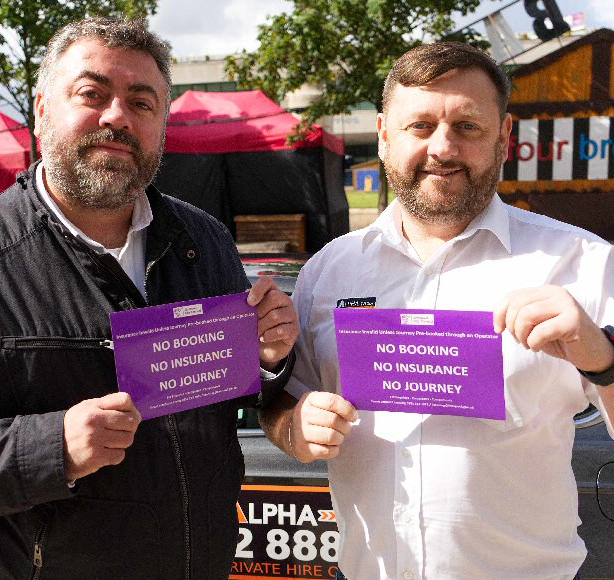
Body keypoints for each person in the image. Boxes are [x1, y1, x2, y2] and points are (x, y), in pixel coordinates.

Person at [0, 17, 299, 579]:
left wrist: (268, 359)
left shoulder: (203, 241)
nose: (116, 117)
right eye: (92, 94)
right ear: (41, 109)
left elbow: (228, 398)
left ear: (162, 125)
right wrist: (49, 448)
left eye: (142, 101)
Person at [260, 42, 614, 579]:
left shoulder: (582, 262)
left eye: (467, 126)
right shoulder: (328, 271)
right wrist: (294, 429)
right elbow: (283, 406)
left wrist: (603, 360)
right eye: (420, 125)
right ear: (383, 134)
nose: (442, 147)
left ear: (504, 138)